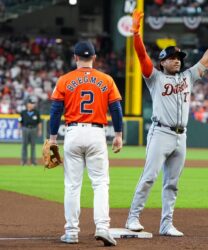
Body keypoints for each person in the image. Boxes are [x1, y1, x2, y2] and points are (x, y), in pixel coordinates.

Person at [125, 10, 208, 237]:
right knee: (149, 176)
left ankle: (166, 224)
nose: (176, 60)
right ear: (162, 62)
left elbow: (207, 58)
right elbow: (142, 56)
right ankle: (133, 217)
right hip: (160, 132)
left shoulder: (188, 77)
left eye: (179, 58)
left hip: (181, 136)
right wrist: (135, 33)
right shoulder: (154, 77)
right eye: (172, 58)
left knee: (172, 183)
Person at [49, 41, 123, 246]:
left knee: (72, 186)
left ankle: (71, 232)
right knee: (100, 184)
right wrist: (118, 134)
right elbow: (116, 109)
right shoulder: (106, 79)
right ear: (94, 58)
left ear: (75, 58)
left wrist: (52, 139)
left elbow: (55, 110)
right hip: (97, 133)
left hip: (72, 132)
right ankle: (102, 228)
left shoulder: (64, 79)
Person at [18, 97, 42, 166]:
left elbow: (39, 122)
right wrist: (18, 130)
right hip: (25, 129)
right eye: (31, 103)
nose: (32, 105)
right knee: (24, 146)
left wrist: (40, 130)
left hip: (34, 129)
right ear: (27, 104)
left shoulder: (36, 112)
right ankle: (24, 162)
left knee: (33, 146)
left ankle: (33, 162)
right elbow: (20, 122)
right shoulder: (23, 112)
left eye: (33, 103)